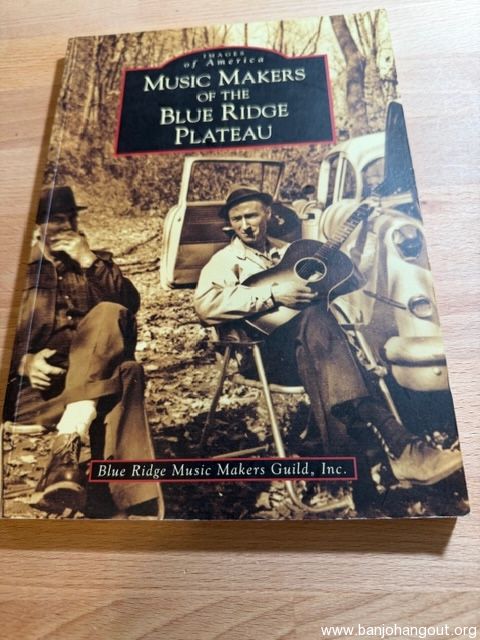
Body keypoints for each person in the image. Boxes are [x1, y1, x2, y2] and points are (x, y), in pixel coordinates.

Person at [194, 185, 463, 486]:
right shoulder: (225, 261)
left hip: (312, 352)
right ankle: (402, 446)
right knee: (318, 325)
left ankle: (356, 478)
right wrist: (273, 295)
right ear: (230, 223)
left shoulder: (290, 251)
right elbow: (205, 306)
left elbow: (353, 282)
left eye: (251, 216)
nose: (245, 225)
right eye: (237, 219)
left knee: (320, 340)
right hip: (262, 355)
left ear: (267, 214)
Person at [3, 186, 161, 517]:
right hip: (35, 397)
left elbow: (128, 307)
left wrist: (89, 261)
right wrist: (22, 363)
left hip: (92, 386)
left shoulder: (96, 264)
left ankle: (70, 459)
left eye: (72, 219)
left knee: (118, 341)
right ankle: (126, 498)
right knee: (123, 377)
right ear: (35, 227)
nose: (67, 227)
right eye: (57, 219)